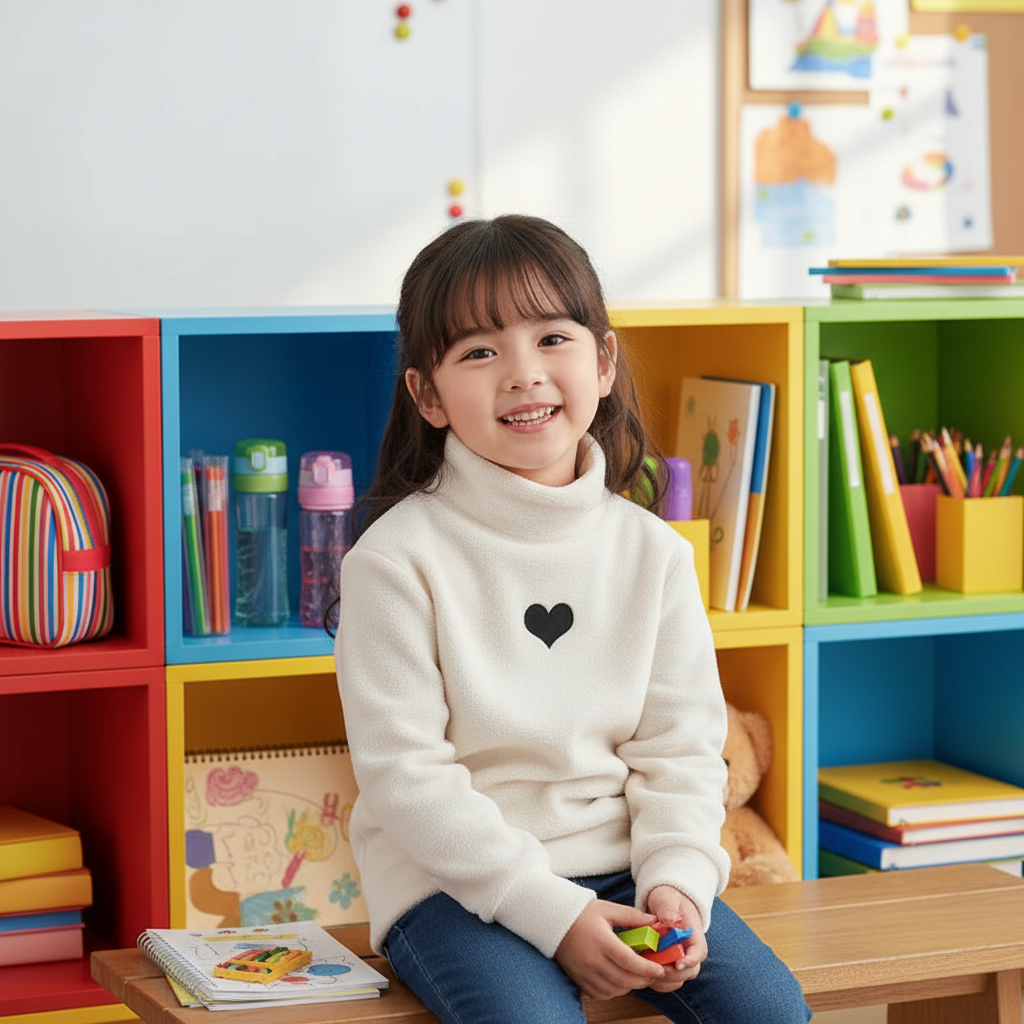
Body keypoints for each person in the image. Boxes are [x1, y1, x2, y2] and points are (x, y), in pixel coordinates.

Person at [333, 214, 810, 1023]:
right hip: (454, 883)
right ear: (429, 395)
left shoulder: (652, 553)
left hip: (626, 869)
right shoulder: (394, 560)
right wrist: (555, 917)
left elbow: (682, 749)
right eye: (478, 352)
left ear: (604, 358)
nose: (523, 374)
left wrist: (679, 880)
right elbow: (407, 782)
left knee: (772, 1012)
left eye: (552, 337)